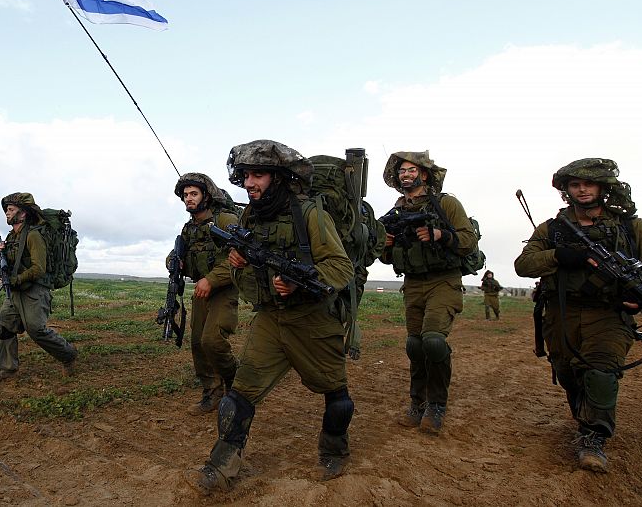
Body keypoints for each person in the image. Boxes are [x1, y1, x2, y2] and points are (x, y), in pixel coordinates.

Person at [188, 140, 355, 493]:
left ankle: (334, 449)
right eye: (246, 175)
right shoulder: (251, 215)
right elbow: (246, 267)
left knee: (337, 397)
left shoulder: (310, 214)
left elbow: (341, 267)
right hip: (270, 319)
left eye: (258, 175)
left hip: (313, 320)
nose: (249, 183)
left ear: (278, 178)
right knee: (238, 396)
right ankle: (221, 466)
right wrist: (238, 262)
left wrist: (299, 282)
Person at [514, 158, 642, 472]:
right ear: (567, 190)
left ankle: (593, 437)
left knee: (600, 371)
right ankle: (584, 418)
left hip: (609, 315)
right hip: (561, 315)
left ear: (602, 188)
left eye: (588, 184)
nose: (582, 190)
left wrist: (639, 297)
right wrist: (559, 255)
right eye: (575, 185)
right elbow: (523, 265)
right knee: (568, 373)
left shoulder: (631, 227)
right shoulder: (552, 228)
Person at [379, 151, 477, 435]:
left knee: (433, 341)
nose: (406, 175)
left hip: (444, 280)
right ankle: (417, 402)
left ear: (424, 175)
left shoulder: (446, 203)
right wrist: (385, 244)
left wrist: (440, 235)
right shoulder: (395, 213)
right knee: (415, 345)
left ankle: (436, 405)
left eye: (411, 170)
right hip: (413, 283)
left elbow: (468, 240)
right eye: (402, 171)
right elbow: (385, 257)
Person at [0, 193, 78, 381]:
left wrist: (15, 280)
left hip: (35, 291)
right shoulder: (12, 237)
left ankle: (68, 355)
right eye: (6, 210)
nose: (7, 213)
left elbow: (39, 268)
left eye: (11, 209)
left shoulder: (34, 235)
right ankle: (8, 369)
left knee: (36, 330)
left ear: (23, 213)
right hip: (16, 291)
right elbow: (9, 267)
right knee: (3, 326)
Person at [173, 173, 239, 416]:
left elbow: (239, 257)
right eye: (185, 195)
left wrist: (211, 280)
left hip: (223, 289)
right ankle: (212, 392)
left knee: (212, 341)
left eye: (194, 194)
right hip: (201, 291)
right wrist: (174, 262)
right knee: (198, 344)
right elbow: (178, 252)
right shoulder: (189, 228)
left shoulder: (226, 220)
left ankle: (235, 381)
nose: (188, 199)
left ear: (206, 196)